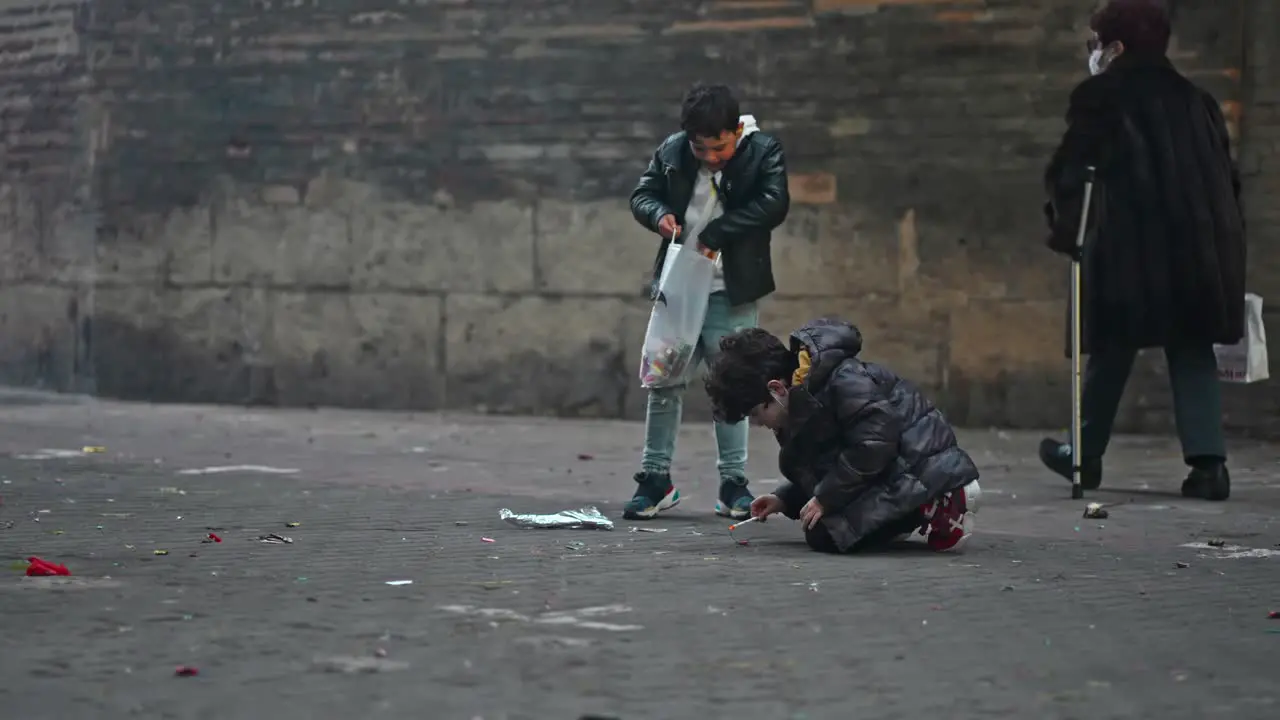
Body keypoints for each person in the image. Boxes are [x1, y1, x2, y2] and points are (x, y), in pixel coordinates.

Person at [1040, 0, 1246, 500]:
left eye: (1095, 42)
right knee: (1192, 347)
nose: (1092, 52)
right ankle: (1208, 465)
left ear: (1116, 46)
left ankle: (1083, 456)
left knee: (1111, 349)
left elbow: (1073, 173)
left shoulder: (1102, 96)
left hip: (1132, 250)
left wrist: (1066, 232)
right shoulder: (1198, 101)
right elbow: (1227, 182)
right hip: (1200, 250)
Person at [624, 83, 790, 521]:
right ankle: (655, 479)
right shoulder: (674, 151)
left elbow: (773, 204)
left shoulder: (762, 151)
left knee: (735, 384)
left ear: (736, 131)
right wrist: (657, 215)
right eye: (702, 149)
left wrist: (717, 234)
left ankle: (733, 484)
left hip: (731, 289)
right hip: (678, 285)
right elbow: (642, 194)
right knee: (663, 381)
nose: (711, 157)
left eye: (719, 148)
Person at [703, 320, 981, 553]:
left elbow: (875, 443)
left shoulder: (841, 380)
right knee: (825, 533)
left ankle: (939, 499)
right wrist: (784, 499)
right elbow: (825, 466)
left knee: (828, 534)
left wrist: (826, 498)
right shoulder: (798, 407)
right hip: (890, 468)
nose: (758, 424)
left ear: (777, 389)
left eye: (755, 414)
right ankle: (902, 515)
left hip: (923, 461)